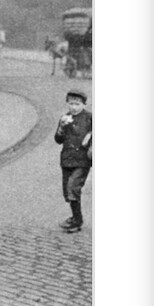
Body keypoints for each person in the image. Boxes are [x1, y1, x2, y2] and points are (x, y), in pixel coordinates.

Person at [54, 89, 92, 233]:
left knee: (73, 187)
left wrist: (90, 135)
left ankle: (77, 221)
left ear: (83, 104)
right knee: (68, 191)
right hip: (67, 159)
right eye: (71, 104)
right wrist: (61, 128)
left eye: (77, 104)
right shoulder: (64, 118)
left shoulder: (90, 118)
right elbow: (58, 140)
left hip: (82, 160)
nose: (74, 107)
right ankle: (75, 216)